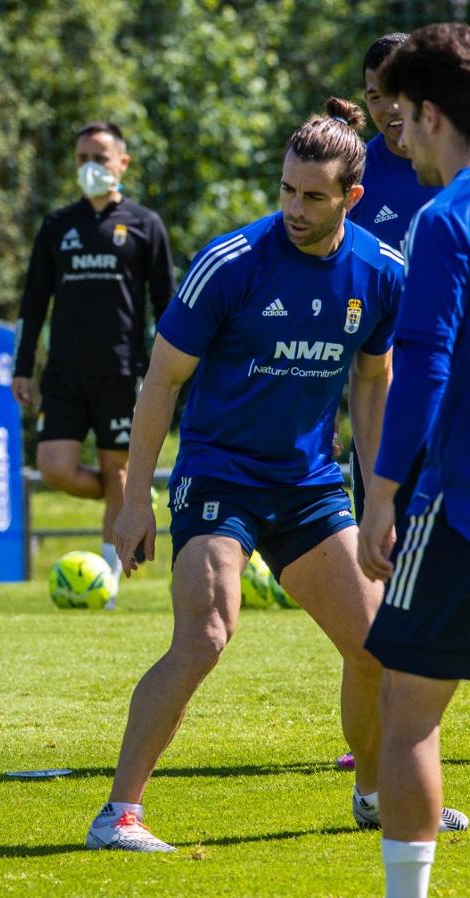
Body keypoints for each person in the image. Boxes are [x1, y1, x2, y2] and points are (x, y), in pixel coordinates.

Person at [90, 97, 466, 853]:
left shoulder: (380, 273)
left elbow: (373, 380)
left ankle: (373, 794)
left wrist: (378, 495)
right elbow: (160, 382)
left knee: (377, 648)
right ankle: (118, 815)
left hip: (309, 486)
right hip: (218, 477)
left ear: (352, 197)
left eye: (314, 196)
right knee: (207, 633)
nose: (295, 208)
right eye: (288, 190)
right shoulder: (230, 263)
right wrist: (135, 501)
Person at [357, 23, 470, 898]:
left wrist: (383, 492)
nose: (400, 138)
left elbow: (423, 361)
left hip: (458, 506)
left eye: (401, 118)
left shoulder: (445, 218)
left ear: (431, 114)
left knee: (408, 714)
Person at [336, 31, 445, 773]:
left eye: (395, 94)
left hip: (451, 403)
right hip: (385, 402)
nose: (385, 110)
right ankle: (381, 740)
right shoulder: (357, 176)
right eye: (373, 96)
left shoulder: (450, 171)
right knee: (383, 578)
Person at [12, 122, 174, 591]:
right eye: (82, 158)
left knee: (118, 469)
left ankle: (107, 583)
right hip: (63, 374)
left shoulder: (145, 225)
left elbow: (167, 305)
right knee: (55, 469)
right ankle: (122, 495)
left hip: (121, 373)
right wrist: (23, 368)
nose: (90, 166)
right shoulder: (57, 226)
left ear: (122, 163)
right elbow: (33, 303)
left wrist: (167, 370)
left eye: (100, 158)